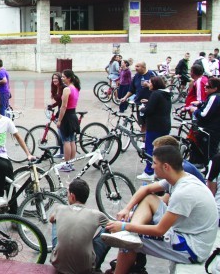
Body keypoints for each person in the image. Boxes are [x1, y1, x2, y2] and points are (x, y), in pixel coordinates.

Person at [101, 145, 218, 273]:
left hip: (192, 247)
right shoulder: (181, 177)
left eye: (154, 163)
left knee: (126, 242)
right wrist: (127, 209)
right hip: (187, 231)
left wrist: (125, 226)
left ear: (166, 167)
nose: (152, 167)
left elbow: (159, 230)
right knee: (149, 199)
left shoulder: (183, 193)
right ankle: (131, 235)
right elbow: (145, 189)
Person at [50, 178, 110, 274]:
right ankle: (96, 266)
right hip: (85, 268)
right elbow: (112, 227)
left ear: (72, 196)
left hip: (58, 264)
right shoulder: (97, 215)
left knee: (55, 221)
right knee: (109, 230)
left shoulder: (60, 209)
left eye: (68, 193)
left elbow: (51, 219)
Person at [137, 76, 171, 181]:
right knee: (160, 150)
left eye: (150, 83)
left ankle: (149, 172)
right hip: (164, 125)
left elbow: (149, 111)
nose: (149, 84)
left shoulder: (155, 94)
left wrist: (142, 108)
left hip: (155, 126)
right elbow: (159, 106)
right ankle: (159, 171)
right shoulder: (165, 94)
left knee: (150, 149)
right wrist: (149, 102)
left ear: (155, 84)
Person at [190, 77, 220, 174]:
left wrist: (195, 111)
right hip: (213, 128)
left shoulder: (214, 97)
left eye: (208, 86)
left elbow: (204, 114)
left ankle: (210, 174)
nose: (205, 88)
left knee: (209, 153)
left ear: (215, 88)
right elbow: (209, 106)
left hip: (211, 129)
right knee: (209, 150)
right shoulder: (214, 96)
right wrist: (200, 103)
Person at [120, 61, 158, 132]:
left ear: (144, 67)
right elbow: (132, 90)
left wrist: (148, 85)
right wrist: (125, 97)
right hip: (139, 104)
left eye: (138, 66)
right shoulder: (136, 76)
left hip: (149, 104)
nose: (136, 68)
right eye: (135, 66)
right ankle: (144, 138)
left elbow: (159, 87)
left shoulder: (151, 74)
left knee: (147, 124)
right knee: (142, 123)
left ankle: (145, 140)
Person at [57, 69, 81, 172]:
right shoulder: (75, 88)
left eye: (63, 77)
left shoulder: (67, 89)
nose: (62, 78)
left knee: (66, 141)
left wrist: (59, 120)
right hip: (73, 115)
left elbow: (64, 106)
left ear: (69, 78)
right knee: (72, 140)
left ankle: (66, 164)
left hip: (67, 116)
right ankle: (71, 163)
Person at [48, 72, 66, 158]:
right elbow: (59, 102)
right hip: (60, 109)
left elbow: (63, 103)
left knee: (62, 133)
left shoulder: (63, 88)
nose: (54, 80)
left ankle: (65, 153)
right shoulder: (56, 88)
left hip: (64, 111)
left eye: (56, 78)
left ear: (60, 79)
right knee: (60, 133)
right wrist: (52, 106)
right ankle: (61, 152)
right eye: (53, 78)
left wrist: (58, 112)